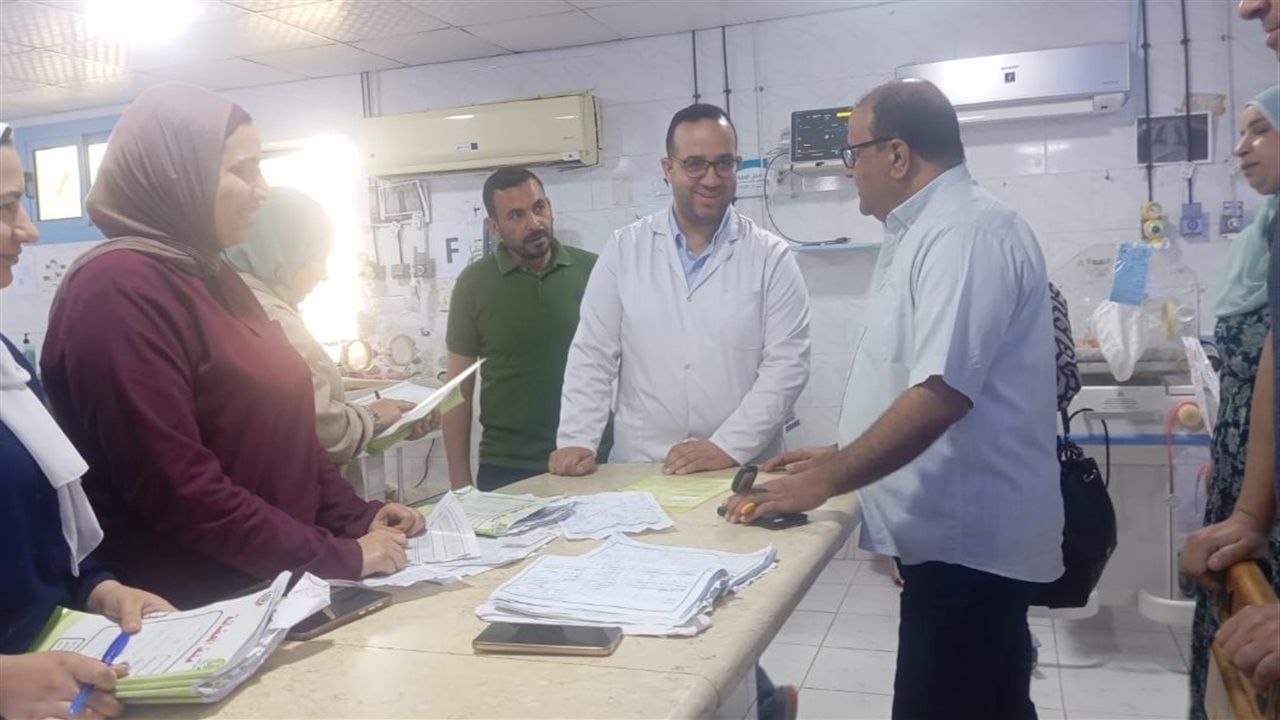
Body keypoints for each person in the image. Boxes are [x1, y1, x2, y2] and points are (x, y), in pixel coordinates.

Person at [723, 79, 1063, 720]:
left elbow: (940, 396)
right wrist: (839, 452)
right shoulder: (927, 230)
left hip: (968, 550)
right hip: (954, 543)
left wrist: (823, 481)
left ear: (898, 155)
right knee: (994, 705)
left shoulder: (965, 233)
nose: (848, 170)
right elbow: (913, 378)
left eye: (854, 153)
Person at [39, 83, 423, 610]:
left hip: (275, 584)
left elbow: (291, 435)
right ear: (180, 175)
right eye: (243, 170)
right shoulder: (116, 290)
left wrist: (357, 517)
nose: (262, 190)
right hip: (195, 604)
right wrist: (336, 556)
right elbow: (180, 490)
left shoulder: (213, 275)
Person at [0, 120, 176, 720]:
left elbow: (42, 547)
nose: (29, 229)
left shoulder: (7, 367)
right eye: (4, 208)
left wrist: (103, 592)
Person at [550, 104, 811, 477]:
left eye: (723, 163)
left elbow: (787, 366)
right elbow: (593, 353)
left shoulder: (771, 256)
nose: (711, 178)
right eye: (694, 164)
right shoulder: (625, 249)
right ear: (668, 168)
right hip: (642, 467)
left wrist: (727, 446)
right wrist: (577, 438)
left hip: (741, 466)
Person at [225, 187, 437, 477]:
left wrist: (391, 422)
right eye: (317, 257)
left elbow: (299, 410)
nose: (323, 274)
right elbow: (322, 430)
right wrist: (374, 417)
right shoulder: (269, 317)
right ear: (285, 252)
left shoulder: (241, 300)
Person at [1180, 83, 1280, 694]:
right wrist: (1248, 507)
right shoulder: (1266, 236)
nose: (1241, 147)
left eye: (1261, 130)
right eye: (1241, 131)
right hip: (1251, 486)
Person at [443, 168, 602, 491]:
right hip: (508, 465)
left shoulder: (594, 270)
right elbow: (457, 390)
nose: (534, 223)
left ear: (550, 207)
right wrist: (460, 484)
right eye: (516, 215)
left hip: (590, 457)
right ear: (493, 227)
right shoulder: (473, 284)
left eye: (539, 207)